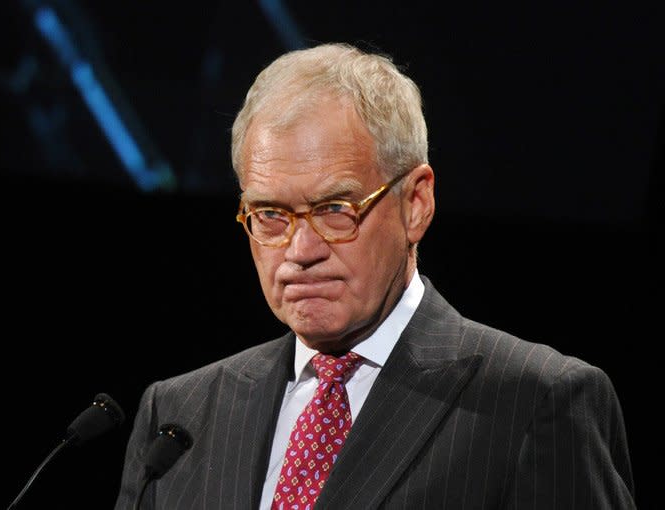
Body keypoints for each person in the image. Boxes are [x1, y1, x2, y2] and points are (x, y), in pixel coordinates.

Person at [113, 42, 635, 509]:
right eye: (270, 215)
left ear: (416, 204)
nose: (300, 250)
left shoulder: (537, 401)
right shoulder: (180, 414)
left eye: (335, 208)